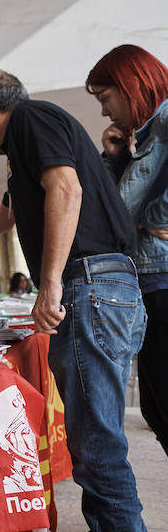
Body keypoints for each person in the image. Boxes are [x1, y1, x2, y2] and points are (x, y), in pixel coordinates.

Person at [0, 69, 146, 530]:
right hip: (110, 285)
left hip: (91, 287)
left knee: (98, 451)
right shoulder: (32, 139)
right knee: (99, 443)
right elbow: (7, 214)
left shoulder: (30, 119)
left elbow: (66, 188)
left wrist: (50, 283)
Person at [87, 44, 168, 457]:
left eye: (105, 98)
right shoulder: (149, 131)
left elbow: (124, 211)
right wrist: (115, 159)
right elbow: (115, 207)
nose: (104, 111)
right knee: (155, 407)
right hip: (149, 278)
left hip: (163, 277)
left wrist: (150, 217)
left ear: (130, 85)